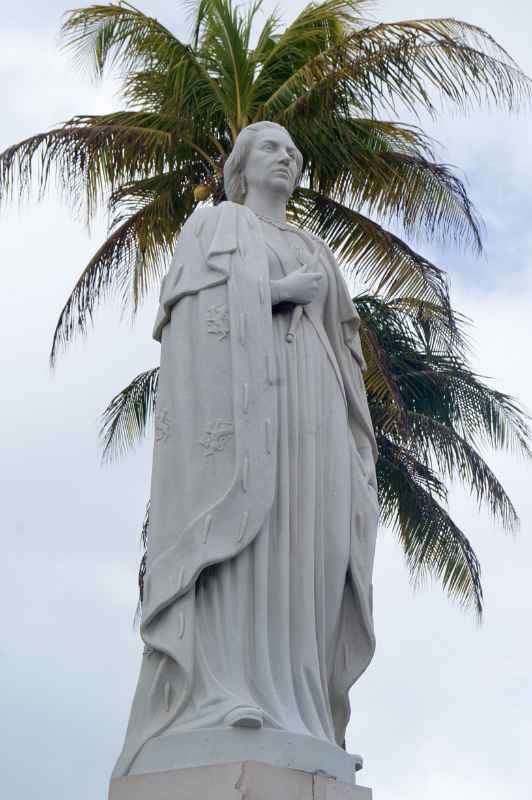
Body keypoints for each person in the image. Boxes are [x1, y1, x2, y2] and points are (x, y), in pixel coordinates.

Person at [112, 122, 379, 780]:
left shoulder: (314, 246)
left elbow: (343, 348)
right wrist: (278, 295)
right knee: (244, 548)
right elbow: (190, 318)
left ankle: (302, 708)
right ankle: (220, 693)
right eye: (270, 148)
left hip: (309, 415)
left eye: (294, 149)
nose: (286, 157)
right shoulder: (216, 226)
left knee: (305, 551)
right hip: (239, 415)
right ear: (240, 165)